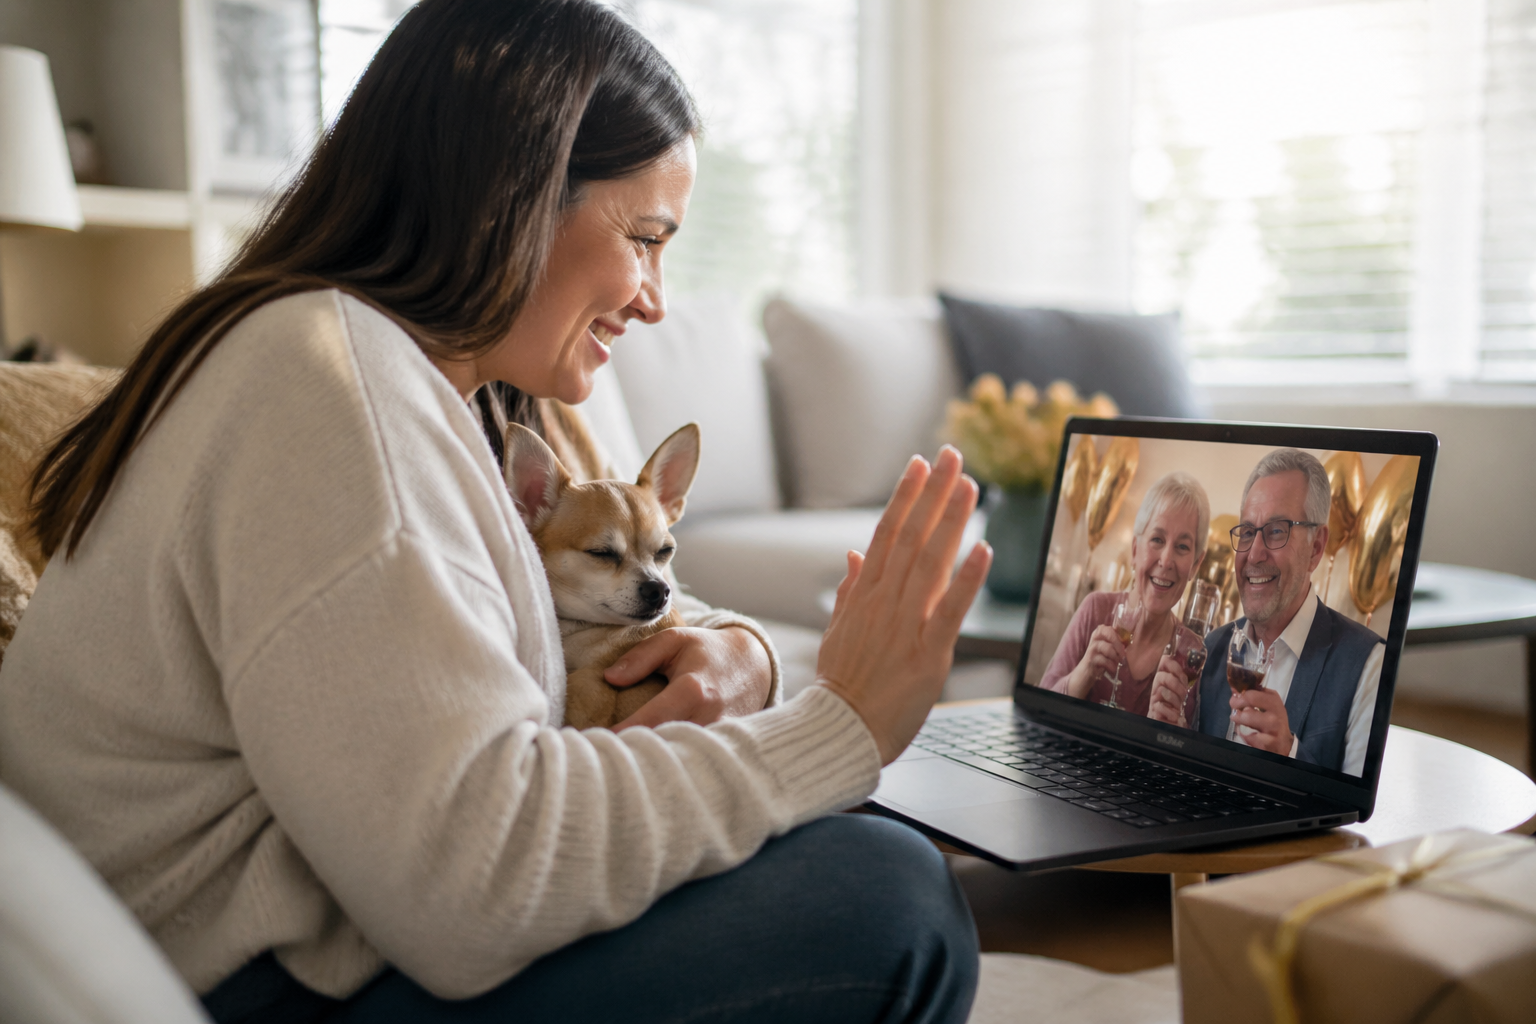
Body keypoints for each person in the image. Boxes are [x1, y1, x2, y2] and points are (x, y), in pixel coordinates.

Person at [0, 3, 992, 1022]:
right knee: (884, 896)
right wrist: (839, 729)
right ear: (510, 197)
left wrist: (744, 651)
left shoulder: (425, 385)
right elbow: (476, 885)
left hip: (316, 937)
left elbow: (512, 658)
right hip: (248, 984)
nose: (655, 298)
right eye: (645, 238)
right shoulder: (329, 391)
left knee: (865, 860)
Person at [1156, 448, 1383, 775]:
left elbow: (1355, 813)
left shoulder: (1368, 665)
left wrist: (1288, 754)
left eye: (1276, 531)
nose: (1254, 554)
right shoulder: (1211, 648)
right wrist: (1167, 735)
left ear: (1316, 548)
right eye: (1247, 532)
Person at [1040, 472, 1209, 717]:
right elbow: (1040, 711)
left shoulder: (1191, 653)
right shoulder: (1095, 609)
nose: (1166, 560)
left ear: (1195, 564)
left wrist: (1171, 732)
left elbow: (1183, 749)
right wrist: (1084, 673)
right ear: (1134, 549)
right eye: (1157, 539)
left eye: (1182, 546)